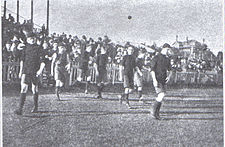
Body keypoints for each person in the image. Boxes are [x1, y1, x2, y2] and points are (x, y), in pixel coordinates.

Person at [14, 32, 46, 115]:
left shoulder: (39, 48)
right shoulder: (25, 48)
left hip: (35, 72)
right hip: (26, 71)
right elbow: (22, 60)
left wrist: (40, 71)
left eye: (33, 38)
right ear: (27, 39)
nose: (32, 40)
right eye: (30, 38)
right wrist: (21, 71)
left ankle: (35, 106)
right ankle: (19, 109)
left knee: (34, 89)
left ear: (35, 39)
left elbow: (43, 62)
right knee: (23, 88)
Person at [150, 43, 173, 119]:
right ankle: (153, 111)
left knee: (162, 96)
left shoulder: (167, 59)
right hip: (157, 79)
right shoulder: (156, 58)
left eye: (169, 50)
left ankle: (156, 113)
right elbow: (152, 70)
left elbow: (170, 70)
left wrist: (169, 77)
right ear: (164, 49)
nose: (169, 51)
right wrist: (154, 80)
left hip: (163, 80)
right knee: (161, 95)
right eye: (168, 49)